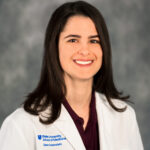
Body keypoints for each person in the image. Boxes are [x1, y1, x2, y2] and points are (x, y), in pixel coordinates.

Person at [0, 1, 144, 150]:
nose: (85, 50)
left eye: (93, 40)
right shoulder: (21, 125)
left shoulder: (125, 117)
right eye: (73, 40)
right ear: (54, 47)